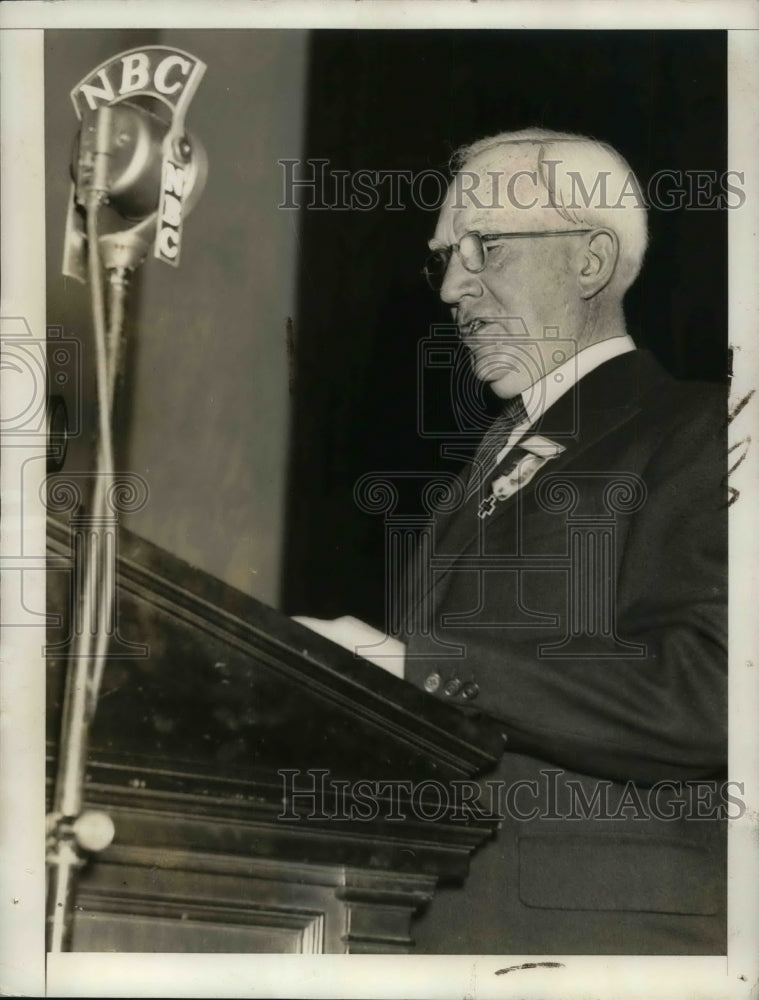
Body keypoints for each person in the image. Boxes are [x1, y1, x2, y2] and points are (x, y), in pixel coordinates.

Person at [296, 128, 728, 954]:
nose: (453, 287)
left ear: (590, 262)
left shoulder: (702, 429)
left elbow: (709, 698)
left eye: (484, 248)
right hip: (435, 927)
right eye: (443, 259)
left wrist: (414, 668)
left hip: (600, 942)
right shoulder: (493, 457)